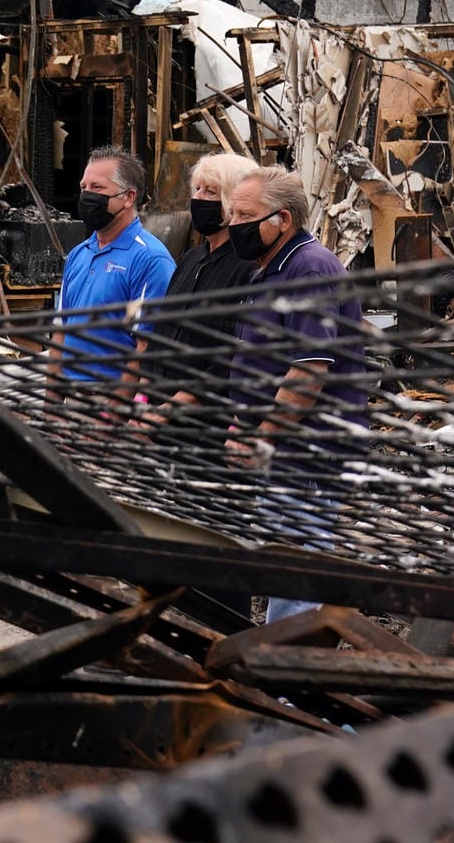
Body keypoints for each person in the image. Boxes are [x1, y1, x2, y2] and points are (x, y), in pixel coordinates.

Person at [223, 166, 368, 624]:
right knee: (283, 558)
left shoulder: (310, 268)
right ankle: (282, 664)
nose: (233, 224)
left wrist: (263, 436)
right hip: (282, 445)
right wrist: (241, 426)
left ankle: (288, 681)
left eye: (245, 215)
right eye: (232, 213)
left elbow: (307, 374)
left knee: (298, 566)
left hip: (309, 448)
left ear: (282, 219)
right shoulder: (265, 270)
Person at [142, 152, 259, 393]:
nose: (198, 198)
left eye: (211, 192)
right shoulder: (191, 259)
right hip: (157, 409)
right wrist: (142, 400)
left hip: (201, 417)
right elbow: (160, 334)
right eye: (197, 189)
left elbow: (229, 359)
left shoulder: (248, 267)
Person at [56, 145, 174, 382]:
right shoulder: (79, 253)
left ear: (128, 197)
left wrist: (113, 410)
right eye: (84, 187)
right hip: (70, 397)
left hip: (108, 400)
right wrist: (52, 401)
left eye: (97, 187)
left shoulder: (150, 259)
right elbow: (60, 332)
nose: (87, 195)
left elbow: (144, 347)